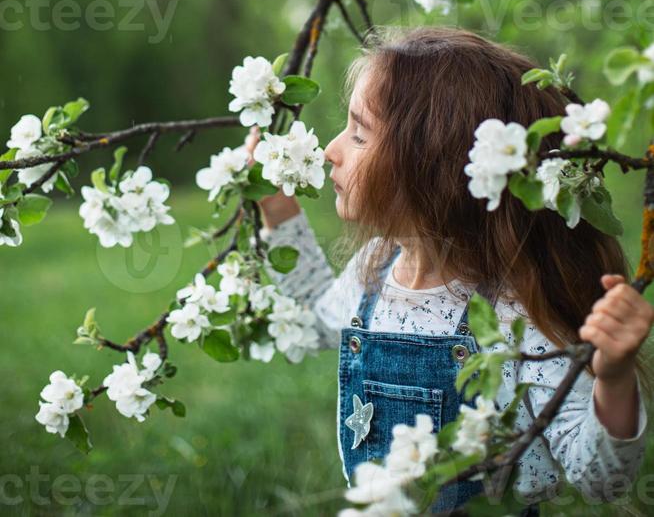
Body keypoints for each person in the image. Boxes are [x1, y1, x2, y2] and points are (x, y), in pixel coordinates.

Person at [249, 25, 653, 514]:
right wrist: (278, 212)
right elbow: (317, 320)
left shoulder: (513, 318)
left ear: (430, 169)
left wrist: (612, 379)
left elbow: (600, 482)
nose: (332, 150)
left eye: (359, 134)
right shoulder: (375, 268)